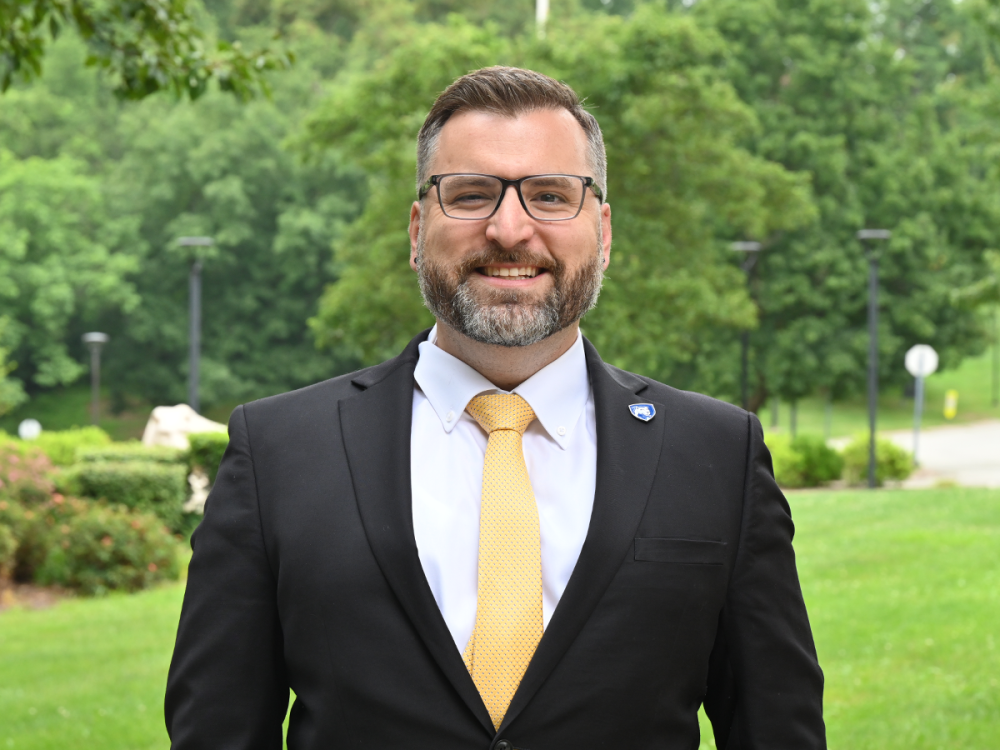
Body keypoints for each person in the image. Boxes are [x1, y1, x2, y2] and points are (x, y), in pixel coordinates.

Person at [166, 66, 826, 750]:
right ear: (418, 229)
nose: (510, 229)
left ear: (602, 232)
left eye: (549, 195)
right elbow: (217, 731)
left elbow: (778, 730)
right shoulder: (277, 452)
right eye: (472, 194)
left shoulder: (717, 454)